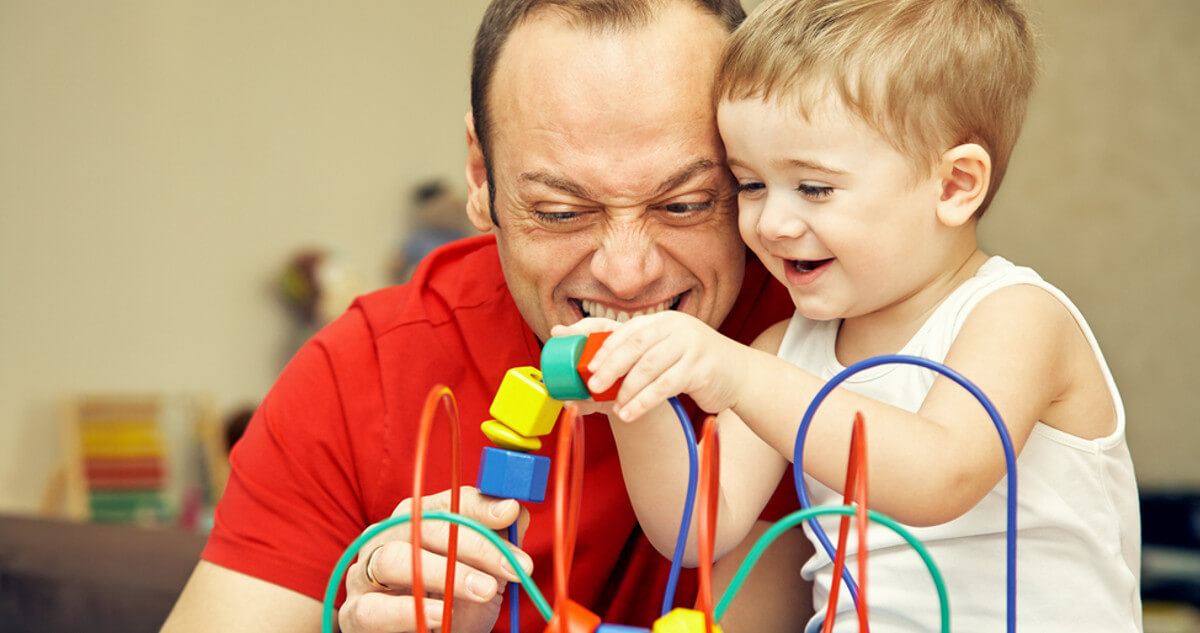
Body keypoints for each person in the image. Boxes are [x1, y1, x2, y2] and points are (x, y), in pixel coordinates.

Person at [160, 2, 808, 633]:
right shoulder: (362, 372)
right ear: (479, 175)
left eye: (687, 204)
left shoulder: (834, 342)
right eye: (561, 211)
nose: (627, 272)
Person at [556, 0, 1142, 630]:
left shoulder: (1017, 317)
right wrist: (631, 393)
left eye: (814, 188)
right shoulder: (788, 348)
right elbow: (696, 526)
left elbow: (939, 476)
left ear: (954, 186)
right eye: (750, 184)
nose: (771, 223)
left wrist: (741, 377)